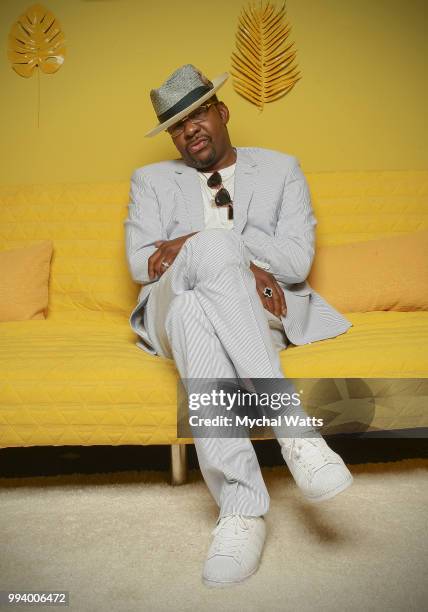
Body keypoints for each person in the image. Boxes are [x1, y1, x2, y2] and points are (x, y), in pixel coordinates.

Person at [124, 64, 354, 588]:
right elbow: (143, 265)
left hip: (246, 310)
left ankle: (241, 509)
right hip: (167, 301)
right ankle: (294, 432)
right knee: (200, 268)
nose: (190, 130)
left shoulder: (280, 170)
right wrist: (217, 246)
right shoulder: (151, 181)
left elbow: (295, 261)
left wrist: (206, 245)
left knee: (194, 313)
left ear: (222, 112)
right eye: (177, 126)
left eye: (198, 113)